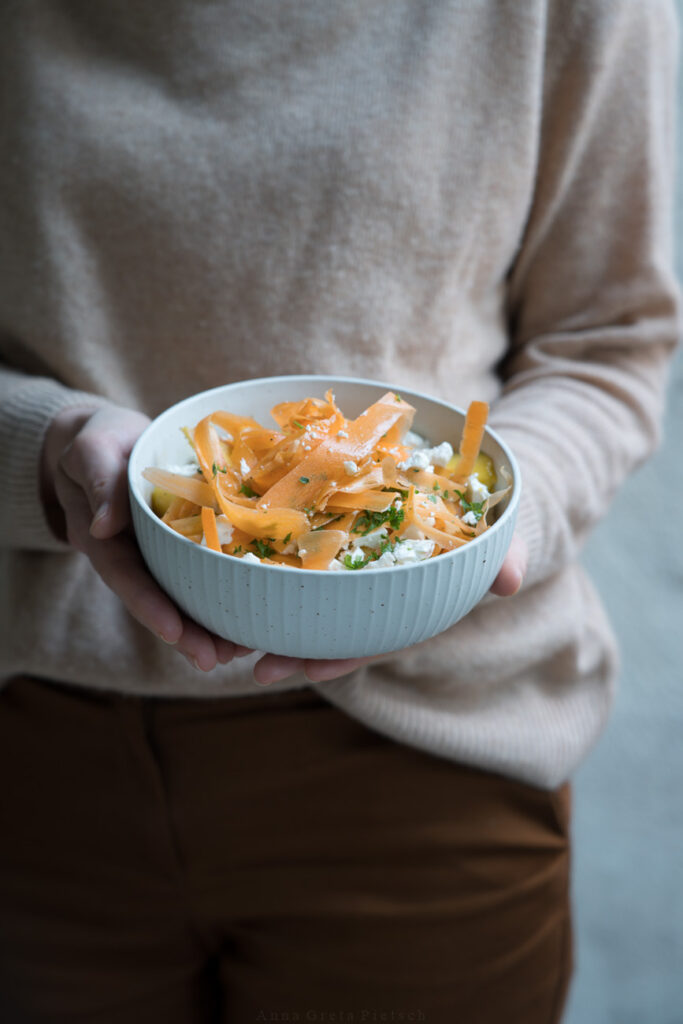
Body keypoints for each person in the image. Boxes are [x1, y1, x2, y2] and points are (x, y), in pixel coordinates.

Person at [0, 1, 678, 1021]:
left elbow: (607, 339)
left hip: (434, 744)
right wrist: (44, 446)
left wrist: (494, 514)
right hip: (33, 752)